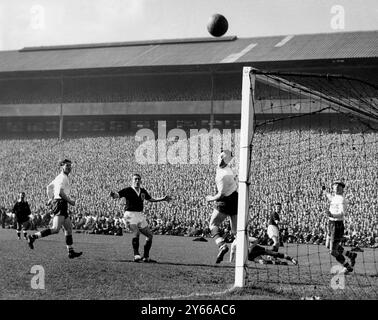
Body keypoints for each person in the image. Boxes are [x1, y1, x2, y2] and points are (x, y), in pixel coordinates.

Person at [27, 159, 82, 259]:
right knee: (55, 229)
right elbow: (61, 193)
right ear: (62, 166)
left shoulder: (59, 177)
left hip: (61, 203)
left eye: (70, 166)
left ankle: (71, 251)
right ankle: (33, 237)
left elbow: (49, 187)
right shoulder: (63, 178)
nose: (69, 167)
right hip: (60, 203)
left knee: (68, 228)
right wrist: (70, 201)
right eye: (67, 165)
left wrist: (50, 198)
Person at [110, 173, 171, 262]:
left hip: (139, 215)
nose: (137, 181)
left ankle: (146, 257)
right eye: (135, 179)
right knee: (136, 232)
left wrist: (163, 199)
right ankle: (136, 255)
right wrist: (112, 194)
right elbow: (117, 195)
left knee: (150, 235)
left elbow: (151, 199)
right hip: (129, 215)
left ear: (141, 181)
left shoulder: (143, 191)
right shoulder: (128, 190)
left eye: (138, 179)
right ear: (132, 180)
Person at [206, 150, 238, 264]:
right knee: (235, 232)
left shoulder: (222, 175)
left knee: (213, 225)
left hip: (225, 201)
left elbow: (221, 195)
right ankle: (251, 250)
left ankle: (222, 245)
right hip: (236, 198)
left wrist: (210, 198)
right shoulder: (230, 171)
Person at [322, 181, 357, 274]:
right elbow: (329, 196)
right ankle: (351, 255)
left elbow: (342, 213)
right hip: (330, 223)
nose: (336, 187)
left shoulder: (342, 200)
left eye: (339, 186)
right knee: (328, 245)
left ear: (342, 189)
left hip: (337, 225)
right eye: (335, 186)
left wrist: (332, 214)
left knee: (332, 251)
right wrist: (324, 191)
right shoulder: (334, 198)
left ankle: (347, 266)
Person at [230, 237, 298, 265]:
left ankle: (291, 259)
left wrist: (251, 247)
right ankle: (279, 263)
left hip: (256, 249)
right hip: (249, 255)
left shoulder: (245, 237)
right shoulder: (234, 243)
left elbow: (256, 240)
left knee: (273, 253)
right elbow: (232, 252)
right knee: (263, 262)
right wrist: (231, 261)